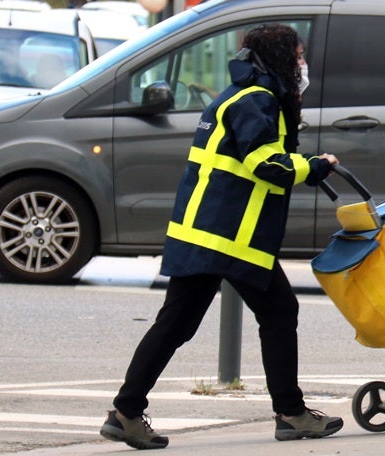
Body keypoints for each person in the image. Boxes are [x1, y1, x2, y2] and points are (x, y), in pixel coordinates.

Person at [100, 24, 342, 450]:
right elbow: (265, 163)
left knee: (178, 323)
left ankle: (126, 412)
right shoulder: (256, 99)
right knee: (277, 313)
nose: (303, 65)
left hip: (211, 231)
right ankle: (291, 413)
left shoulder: (243, 94)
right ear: (282, 57)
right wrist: (314, 167)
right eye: (299, 56)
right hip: (229, 234)